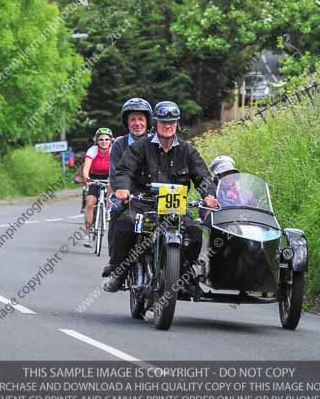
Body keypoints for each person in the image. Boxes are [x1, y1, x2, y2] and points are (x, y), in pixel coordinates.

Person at [104, 101, 219, 292]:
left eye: (172, 122)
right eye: (164, 122)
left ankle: (183, 274)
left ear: (177, 124)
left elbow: (203, 176)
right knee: (124, 225)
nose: (168, 126)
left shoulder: (187, 150)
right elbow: (123, 170)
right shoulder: (139, 147)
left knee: (195, 235)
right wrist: (122, 189)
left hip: (176, 207)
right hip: (143, 204)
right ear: (156, 123)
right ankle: (119, 272)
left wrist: (208, 195)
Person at [102, 98, 153, 277]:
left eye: (141, 118)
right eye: (133, 119)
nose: (137, 123)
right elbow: (115, 174)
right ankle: (115, 262)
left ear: (148, 121)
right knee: (116, 212)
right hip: (128, 196)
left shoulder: (157, 142)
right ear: (127, 122)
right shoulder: (119, 144)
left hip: (154, 196)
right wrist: (123, 193)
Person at [82, 127, 113, 247]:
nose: (104, 142)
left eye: (106, 139)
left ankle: (109, 210)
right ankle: (88, 233)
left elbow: (117, 167)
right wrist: (87, 178)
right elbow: (86, 167)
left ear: (110, 141)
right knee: (90, 203)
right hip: (94, 176)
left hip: (108, 175)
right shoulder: (93, 150)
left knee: (111, 185)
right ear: (97, 141)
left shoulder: (113, 150)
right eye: (101, 139)